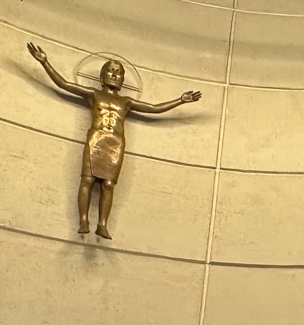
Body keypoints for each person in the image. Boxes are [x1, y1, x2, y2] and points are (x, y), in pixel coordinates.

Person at [26, 43, 201, 238]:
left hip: (115, 144)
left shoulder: (126, 102)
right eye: (111, 70)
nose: (115, 74)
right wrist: (45, 62)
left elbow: (153, 108)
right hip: (96, 139)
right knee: (87, 179)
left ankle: (102, 224)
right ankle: (83, 220)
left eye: (119, 72)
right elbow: (64, 84)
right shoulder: (93, 95)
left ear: (122, 80)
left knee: (108, 184)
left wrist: (180, 100)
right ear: (102, 76)